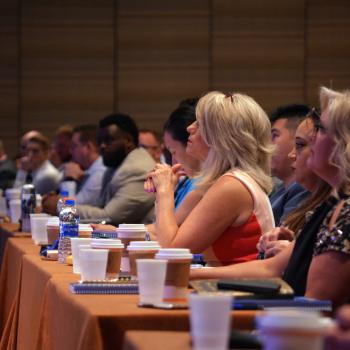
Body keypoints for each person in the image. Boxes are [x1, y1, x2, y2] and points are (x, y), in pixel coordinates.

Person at [191, 87, 350, 309]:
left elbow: (317, 309)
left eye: (321, 129)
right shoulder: (332, 204)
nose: (313, 137)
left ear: (345, 142)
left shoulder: (346, 213)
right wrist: (188, 275)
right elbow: (270, 269)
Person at [147, 91, 275, 266]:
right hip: (224, 288)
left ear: (221, 137)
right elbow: (163, 234)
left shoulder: (232, 186)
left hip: (238, 291)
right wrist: (163, 189)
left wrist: (164, 190)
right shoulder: (219, 183)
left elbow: (171, 251)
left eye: (199, 124)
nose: (189, 128)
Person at [257, 111, 332, 258]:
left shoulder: (339, 207)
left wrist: (294, 252)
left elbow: (272, 268)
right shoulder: (320, 203)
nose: (292, 155)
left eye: (299, 145)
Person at [75, 113, 155, 225]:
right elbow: (99, 207)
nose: (102, 146)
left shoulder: (137, 170)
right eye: (100, 142)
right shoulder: (116, 164)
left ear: (128, 140)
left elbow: (110, 218)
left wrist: (65, 210)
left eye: (108, 140)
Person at [42, 125, 106, 210]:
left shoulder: (99, 173)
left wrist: (69, 179)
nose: (70, 151)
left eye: (74, 146)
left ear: (88, 147)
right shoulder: (88, 169)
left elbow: (68, 209)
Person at [269, 104, 311, 225]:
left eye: (274, 135)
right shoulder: (280, 189)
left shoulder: (303, 188)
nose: (267, 144)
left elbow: (283, 238)